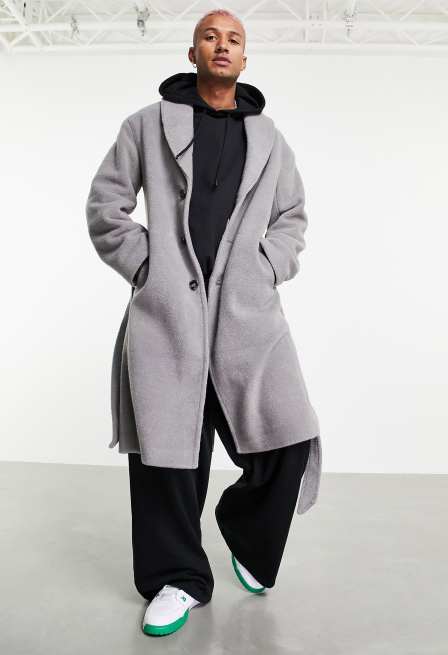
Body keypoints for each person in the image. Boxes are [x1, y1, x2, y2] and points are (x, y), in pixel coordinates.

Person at [85, 7, 322, 638]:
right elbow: (106, 205)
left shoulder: (270, 139)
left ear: (245, 57)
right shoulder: (145, 125)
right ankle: (177, 579)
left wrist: (268, 265)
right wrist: (146, 266)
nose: (222, 45)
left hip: (248, 317)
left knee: (288, 437)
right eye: (210, 37)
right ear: (193, 54)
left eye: (234, 39)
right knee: (167, 457)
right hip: (167, 317)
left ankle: (245, 532)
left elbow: (292, 216)